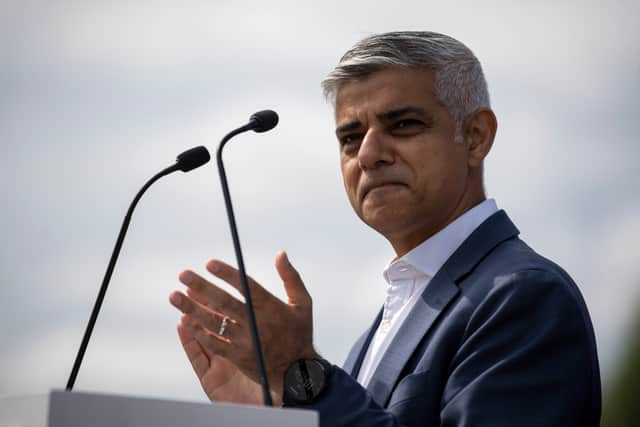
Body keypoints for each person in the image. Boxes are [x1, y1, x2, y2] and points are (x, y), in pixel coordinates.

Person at [169, 31, 601, 426]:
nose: (369, 154)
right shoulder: (377, 330)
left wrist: (300, 373)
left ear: (474, 136)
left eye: (404, 124)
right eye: (350, 137)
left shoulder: (524, 297)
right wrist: (282, 409)